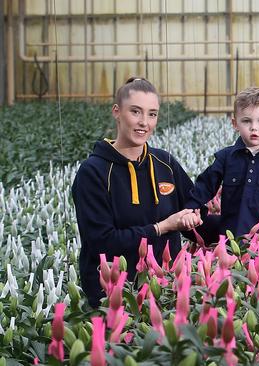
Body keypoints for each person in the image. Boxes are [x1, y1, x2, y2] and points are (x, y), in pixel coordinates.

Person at [72, 77, 202, 307]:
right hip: (113, 294)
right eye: (135, 112)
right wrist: (162, 228)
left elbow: (193, 213)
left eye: (152, 114)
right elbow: (101, 242)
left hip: (165, 289)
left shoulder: (165, 163)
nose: (144, 122)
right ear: (117, 112)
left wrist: (244, 228)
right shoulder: (93, 172)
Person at [182, 86, 259, 241]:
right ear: (235, 124)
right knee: (187, 225)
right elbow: (205, 186)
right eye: (246, 121)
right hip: (228, 238)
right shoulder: (226, 157)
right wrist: (190, 210)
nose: (254, 127)